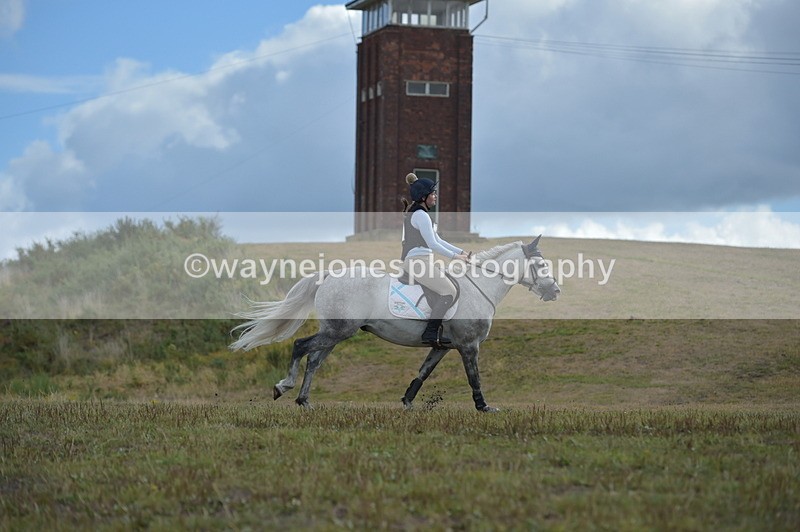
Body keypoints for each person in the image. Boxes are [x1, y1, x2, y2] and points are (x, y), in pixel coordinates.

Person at [401, 172, 469, 347]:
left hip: (422, 262)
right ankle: (430, 333)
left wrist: (461, 252)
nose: (435, 196)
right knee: (449, 291)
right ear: (424, 197)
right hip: (417, 263)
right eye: (433, 194)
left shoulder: (421, 214)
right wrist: (455, 257)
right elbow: (433, 244)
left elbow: (438, 240)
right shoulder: (421, 216)